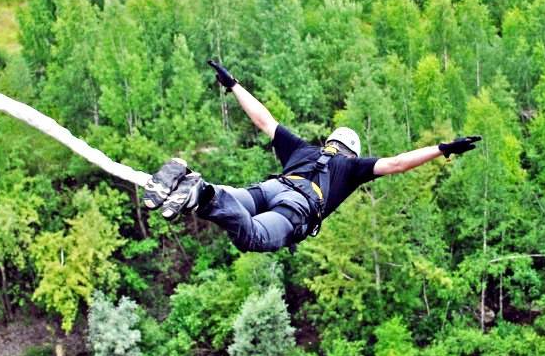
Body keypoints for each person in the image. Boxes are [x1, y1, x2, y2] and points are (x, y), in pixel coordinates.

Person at [140, 59, 480, 253]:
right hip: (296, 209)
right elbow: (397, 163)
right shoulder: (350, 167)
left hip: (271, 189)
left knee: (232, 205)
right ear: (352, 151)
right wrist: (442, 149)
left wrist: (233, 85)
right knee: (251, 236)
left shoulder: (303, 149)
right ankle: (206, 193)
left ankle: (200, 192)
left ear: (330, 142)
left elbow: (264, 120)